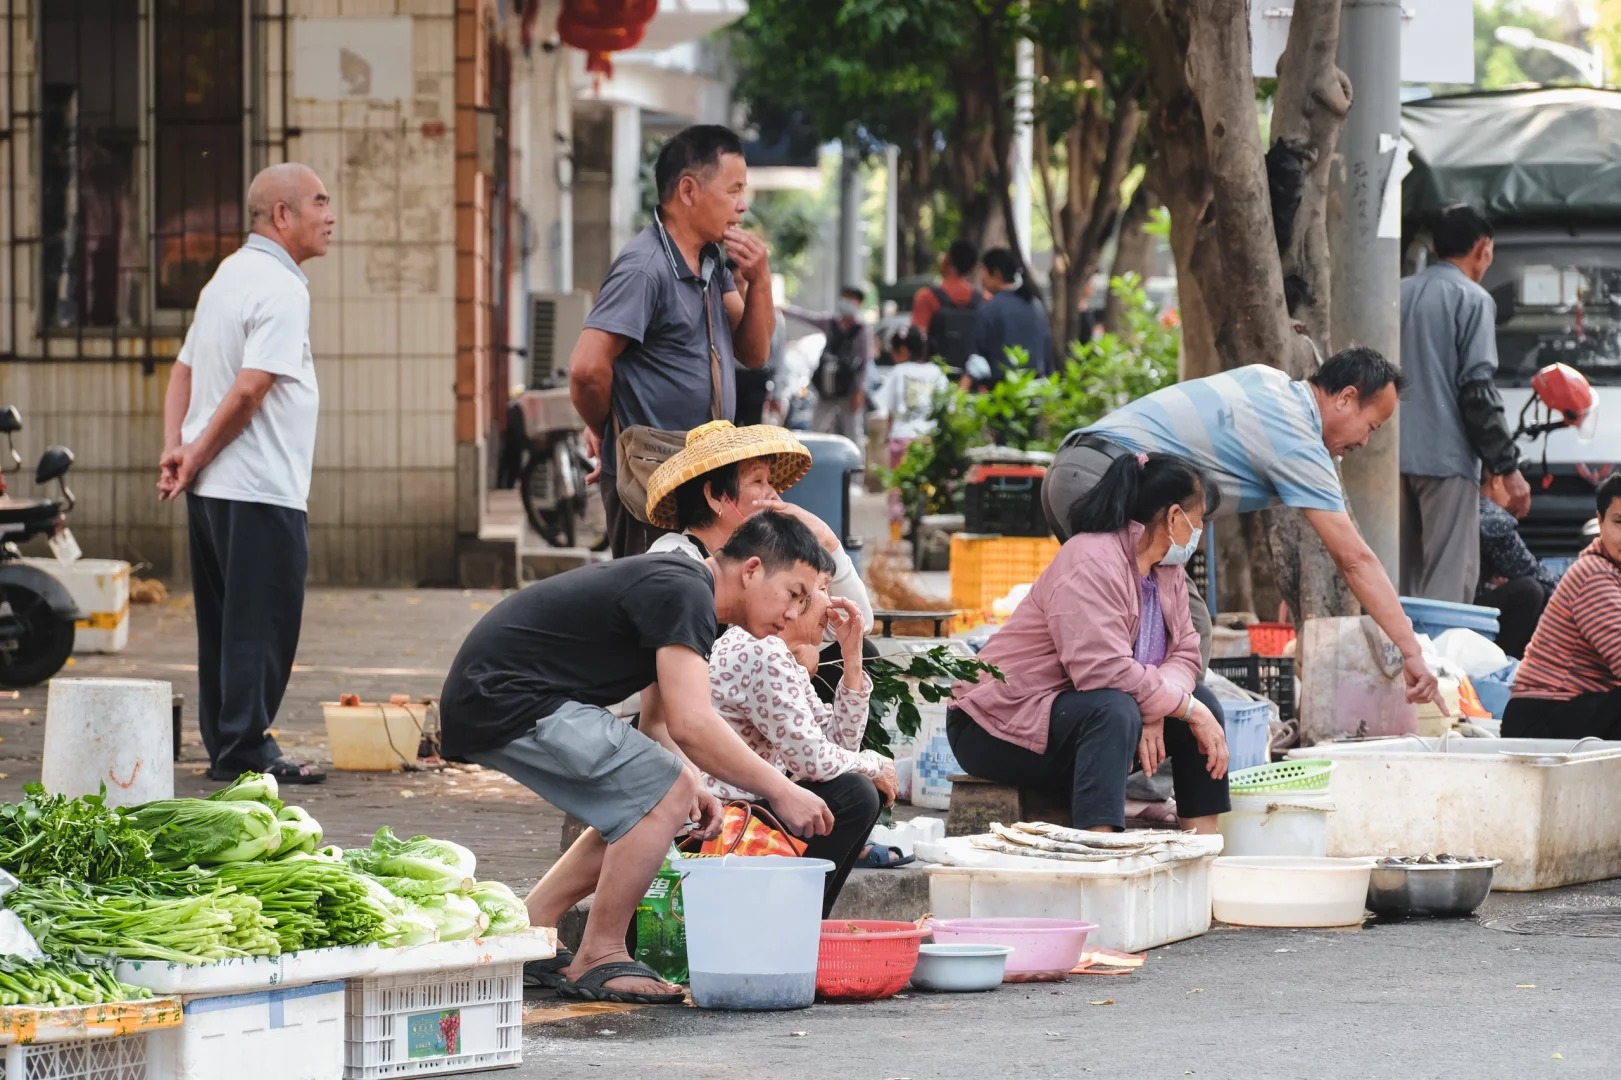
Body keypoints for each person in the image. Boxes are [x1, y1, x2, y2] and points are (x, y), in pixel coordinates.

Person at [439, 512, 837, 1005]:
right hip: (506, 698)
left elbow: (658, 722)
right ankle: (601, 953)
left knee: (660, 797)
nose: (797, 614)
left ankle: (527, 931)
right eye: (795, 593)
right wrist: (780, 788)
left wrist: (696, 786)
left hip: (496, 697)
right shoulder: (686, 589)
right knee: (663, 791)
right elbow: (693, 724)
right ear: (752, 569)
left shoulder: (687, 595)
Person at [1044, 347, 1444, 709]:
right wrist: (1410, 651)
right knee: (1176, 632)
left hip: (1071, 470)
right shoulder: (1299, 440)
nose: (1365, 443)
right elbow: (1355, 560)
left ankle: (1113, 749)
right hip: (1106, 485)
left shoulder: (1267, 379)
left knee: (1141, 622)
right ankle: (1145, 767)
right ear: (1346, 398)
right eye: (1372, 427)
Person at [156, 163, 334, 785]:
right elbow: (250, 389)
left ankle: (228, 746)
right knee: (261, 623)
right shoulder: (282, 287)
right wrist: (194, 453)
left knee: (227, 624)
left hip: (213, 490)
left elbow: (181, 372)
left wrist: (176, 450)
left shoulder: (227, 277)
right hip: (257, 486)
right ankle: (245, 748)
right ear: (282, 215)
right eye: (319, 202)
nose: (329, 215)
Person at [948, 453, 1231, 833]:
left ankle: (1203, 848)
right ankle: (1101, 854)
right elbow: (1103, 671)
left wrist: (1163, 709)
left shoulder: (1168, 570)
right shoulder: (1090, 561)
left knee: (1203, 700)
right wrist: (1180, 707)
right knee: (1118, 710)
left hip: (1076, 712)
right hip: (993, 724)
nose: (1200, 531)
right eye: (1199, 520)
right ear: (1175, 517)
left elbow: (1185, 653)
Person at [568, 125, 776, 558]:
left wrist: (760, 279)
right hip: (651, 476)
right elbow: (587, 370)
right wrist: (609, 431)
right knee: (656, 606)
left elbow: (754, 352)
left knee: (694, 606)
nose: (742, 206)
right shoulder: (645, 267)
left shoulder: (710, 261)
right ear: (688, 190)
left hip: (702, 473)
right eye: (733, 190)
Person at [707, 577, 897, 914]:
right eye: (823, 588)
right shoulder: (761, 649)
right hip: (717, 825)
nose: (833, 600)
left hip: (746, 811)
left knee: (858, 789)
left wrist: (851, 660)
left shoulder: (780, 654)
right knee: (855, 795)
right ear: (795, 596)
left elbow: (838, 746)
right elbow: (814, 761)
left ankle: (803, 929)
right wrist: (875, 765)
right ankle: (792, 927)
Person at [1399, 204, 1532, 604]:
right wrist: (1506, 467)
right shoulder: (1473, 299)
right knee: (1448, 578)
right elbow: (1477, 389)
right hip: (1446, 458)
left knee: (1398, 575)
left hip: (1387, 457)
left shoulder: (1395, 294)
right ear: (1483, 248)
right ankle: (1441, 664)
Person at [643, 420, 874, 631]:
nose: (774, 495)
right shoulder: (674, 557)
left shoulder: (766, 560)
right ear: (715, 496)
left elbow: (853, 625)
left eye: (770, 482)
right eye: (757, 481)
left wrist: (826, 539)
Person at [1502, 475, 1621, 740]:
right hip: (1542, 716)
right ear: (1600, 522)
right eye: (1619, 522)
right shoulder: (1594, 575)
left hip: (1579, 709)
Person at [871, 327, 949, 529]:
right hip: (929, 440)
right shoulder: (937, 373)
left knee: (897, 489)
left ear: (904, 350)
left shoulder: (898, 371)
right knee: (930, 487)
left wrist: (887, 435)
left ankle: (895, 537)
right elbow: (948, 409)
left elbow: (890, 411)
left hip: (902, 438)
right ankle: (930, 529)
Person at [782, 286, 872, 445]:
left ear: (859, 303)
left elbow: (864, 363)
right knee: (815, 429)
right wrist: (782, 309)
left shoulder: (861, 330)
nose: (845, 303)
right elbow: (806, 316)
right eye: (844, 298)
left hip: (848, 391)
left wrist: (859, 391)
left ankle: (857, 468)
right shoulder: (831, 323)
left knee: (853, 432)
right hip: (827, 389)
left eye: (850, 299)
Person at [1476, 494, 1560, 659]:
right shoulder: (1491, 517)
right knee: (1531, 591)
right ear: (1496, 481)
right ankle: (1505, 665)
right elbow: (1533, 573)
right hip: (1458, 612)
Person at [965, 247, 1056, 389]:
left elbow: (977, 362)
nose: (981, 278)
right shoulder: (1036, 305)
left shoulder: (989, 309)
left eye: (983, 272)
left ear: (996, 274)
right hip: (1036, 392)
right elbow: (1047, 354)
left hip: (1001, 395)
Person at [910, 238, 984, 375]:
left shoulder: (927, 297)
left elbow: (917, 343)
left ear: (948, 259)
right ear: (972, 269)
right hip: (974, 378)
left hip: (936, 377)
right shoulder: (984, 300)